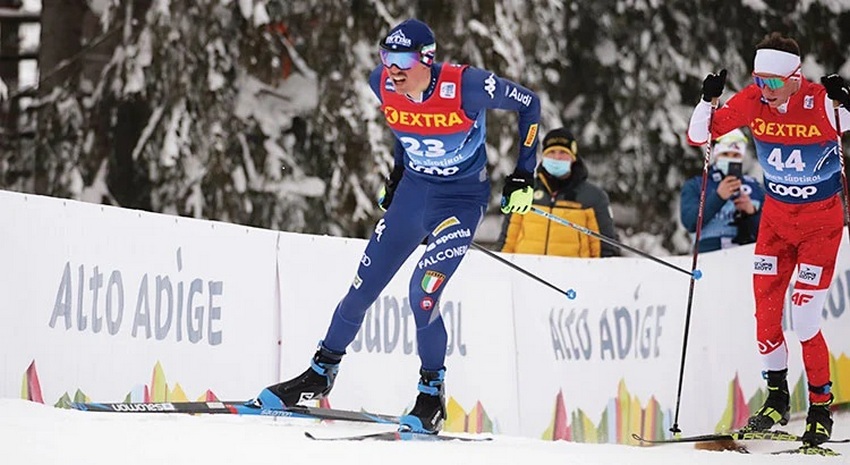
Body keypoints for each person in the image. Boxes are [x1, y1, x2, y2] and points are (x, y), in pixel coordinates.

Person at [251, 18, 541, 434]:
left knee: (422, 293)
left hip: (459, 203)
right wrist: (397, 174)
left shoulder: (466, 85)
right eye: (388, 58)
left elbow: (529, 103)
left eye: (404, 59)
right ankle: (320, 373)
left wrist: (523, 174)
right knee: (360, 289)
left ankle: (431, 394)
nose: (393, 69)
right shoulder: (381, 83)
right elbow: (403, 129)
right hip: (412, 198)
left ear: (427, 59)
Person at [687, 32, 850, 446]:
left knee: (804, 317)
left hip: (819, 225)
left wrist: (843, 100)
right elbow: (699, 136)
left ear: (796, 78)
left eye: (773, 83)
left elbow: (846, 122)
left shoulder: (817, 100)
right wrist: (708, 100)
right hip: (776, 225)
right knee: (765, 316)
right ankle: (777, 397)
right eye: (759, 80)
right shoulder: (753, 99)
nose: (765, 91)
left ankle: (819, 407)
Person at [496, 127, 619, 257]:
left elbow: (604, 249)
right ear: (543, 156)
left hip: (573, 274)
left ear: (573, 157)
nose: (557, 157)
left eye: (563, 152)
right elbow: (506, 241)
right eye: (552, 152)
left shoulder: (594, 197)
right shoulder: (524, 191)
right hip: (526, 271)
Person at [680, 128, 765, 253]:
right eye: (725, 154)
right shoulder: (697, 185)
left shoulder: (755, 187)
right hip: (709, 254)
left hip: (744, 254)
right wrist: (718, 197)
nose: (730, 159)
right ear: (716, 155)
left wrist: (751, 212)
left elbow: (768, 232)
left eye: (736, 155)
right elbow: (690, 222)